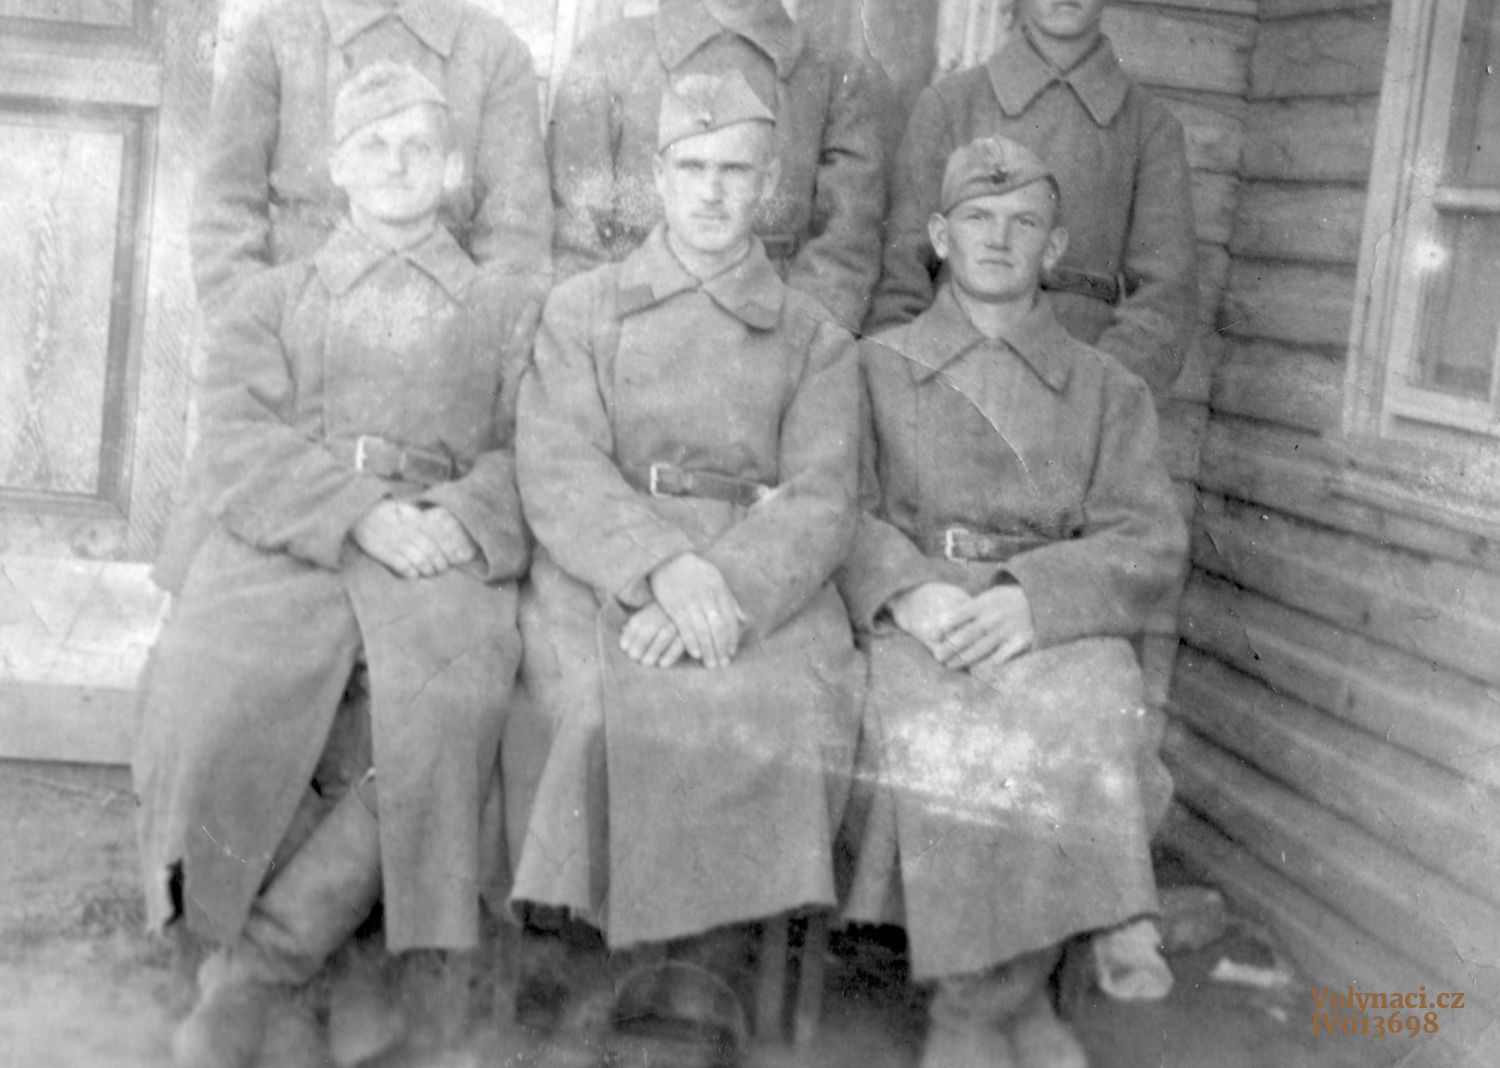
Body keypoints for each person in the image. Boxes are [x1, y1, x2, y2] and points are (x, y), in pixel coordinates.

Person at [133, 63, 539, 1068]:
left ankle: (263, 972)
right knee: (218, 683)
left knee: (447, 708)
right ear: (336, 166)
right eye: (373, 145)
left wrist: (458, 517)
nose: (396, 165)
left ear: (452, 168)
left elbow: (535, 446)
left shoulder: (504, 307)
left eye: (418, 147)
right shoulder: (272, 298)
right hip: (295, 542)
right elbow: (235, 441)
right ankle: (228, 954)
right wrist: (357, 514)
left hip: (439, 550)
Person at [507, 71, 864, 1051]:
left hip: (763, 584)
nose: (711, 191)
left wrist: (725, 585)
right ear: (657, 178)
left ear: (769, 188)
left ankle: (709, 973)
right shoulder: (584, 309)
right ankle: (612, 973)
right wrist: (663, 566)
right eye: (692, 167)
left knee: (776, 706)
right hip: (610, 569)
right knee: (604, 700)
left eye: (734, 171)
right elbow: (559, 465)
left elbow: (825, 498)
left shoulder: (815, 336)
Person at [838, 136, 1189, 1068]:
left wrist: (1035, 598)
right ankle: (1011, 1008)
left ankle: (981, 1009)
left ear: (1056, 246)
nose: (999, 239)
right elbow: (839, 507)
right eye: (978, 219)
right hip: (925, 619)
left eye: (1024, 222)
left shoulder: (1107, 389)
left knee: (1090, 707)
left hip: (1049, 620)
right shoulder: (874, 366)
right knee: (945, 734)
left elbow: (1149, 540)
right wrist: (906, 592)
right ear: (939, 236)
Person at [190, 0, 552, 317]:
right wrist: (256, 333)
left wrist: (476, 343)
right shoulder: (277, 40)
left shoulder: (494, 54)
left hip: (440, 327)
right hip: (297, 322)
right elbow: (224, 213)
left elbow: (516, 243)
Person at [867, 0, 1196, 399]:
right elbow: (902, 273)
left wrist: (1096, 398)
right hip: (952, 379)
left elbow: (1163, 301)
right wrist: (910, 384)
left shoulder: (1149, 129)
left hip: (1084, 385)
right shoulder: (951, 105)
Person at [546, 0, 887, 333]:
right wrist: (606, 336)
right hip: (630, 325)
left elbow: (846, 248)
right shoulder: (609, 55)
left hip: (771, 331)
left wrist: (791, 344)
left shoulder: (834, 78)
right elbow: (577, 232)